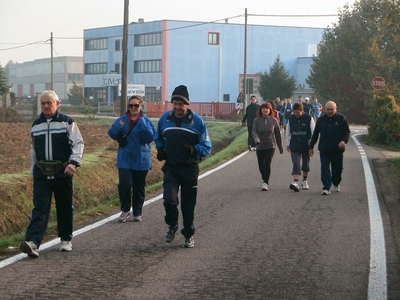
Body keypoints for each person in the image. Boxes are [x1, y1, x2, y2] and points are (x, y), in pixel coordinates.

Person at [20, 90, 84, 258]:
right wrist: (33, 169)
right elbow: (33, 149)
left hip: (63, 172)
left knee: (64, 206)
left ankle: (65, 239)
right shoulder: (36, 125)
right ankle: (33, 242)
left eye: (50, 103)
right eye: (43, 103)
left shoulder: (67, 122)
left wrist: (73, 163)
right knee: (40, 207)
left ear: (58, 103)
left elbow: (78, 143)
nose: (46, 106)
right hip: (42, 174)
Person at [155, 85, 212, 248]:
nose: (178, 107)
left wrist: (195, 149)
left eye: (181, 104)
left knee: (188, 205)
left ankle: (188, 234)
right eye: (175, 103)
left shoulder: (198, 121)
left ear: (188, 104)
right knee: (169, 200)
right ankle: (172, 224)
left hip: (190, 169)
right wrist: (160, 149)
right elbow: (158, 136)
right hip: (171, 168)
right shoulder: (165, 119)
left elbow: (207, 146)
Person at [108, 95, 156, 223]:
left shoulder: (146, 121)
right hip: (125, 158)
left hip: (141, 158)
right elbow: (112, 134)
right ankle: (125, 209)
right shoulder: (122, 120)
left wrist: (143, 126)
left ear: (141, 106)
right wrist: (119, 126)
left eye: (136, 105)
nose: (133, 108)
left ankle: (137, 211)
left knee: (139, 186)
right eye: (131, 105)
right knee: (125, 184)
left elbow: (150, 138)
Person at [309, 101, 350, 195]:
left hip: (337, 149)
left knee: (337, 169)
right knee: (324, 168)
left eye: (332, 109)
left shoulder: (341, 119)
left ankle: (336, 183)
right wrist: (311, 147)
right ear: (324, 109)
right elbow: (315, 134)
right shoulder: (320, 120)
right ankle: (326, 187)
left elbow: (347, 132)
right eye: (328, 109)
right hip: (324, 149)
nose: (330, 111)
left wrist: (343, 141)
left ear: (336, 109)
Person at [252, 102, 284, 191]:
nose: (265, 110)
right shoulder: (256, 120)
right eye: (263, 108)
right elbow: (254, 132)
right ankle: (264, 178)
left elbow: (277, 134)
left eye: (267, 108)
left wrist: (280, 147)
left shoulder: (274, 120)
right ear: (261, 110)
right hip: (260, 146)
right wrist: (256, 140)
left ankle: (265, 182)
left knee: (267, 163)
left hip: (270, 145)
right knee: (261, 166)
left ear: (270, 110)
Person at [286, 102, 315, 192]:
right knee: (296, 163)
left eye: (297, 112)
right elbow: (288, 132)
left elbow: (313, 131)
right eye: (294, 112)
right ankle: (296, 182)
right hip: (294, 144)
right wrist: (288, 144)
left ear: (302, 111)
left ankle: (304, 181)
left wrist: (312, 146)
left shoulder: (309, 118)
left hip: (306, 144)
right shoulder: (291, 119)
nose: (296, 114)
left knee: (306, 163)